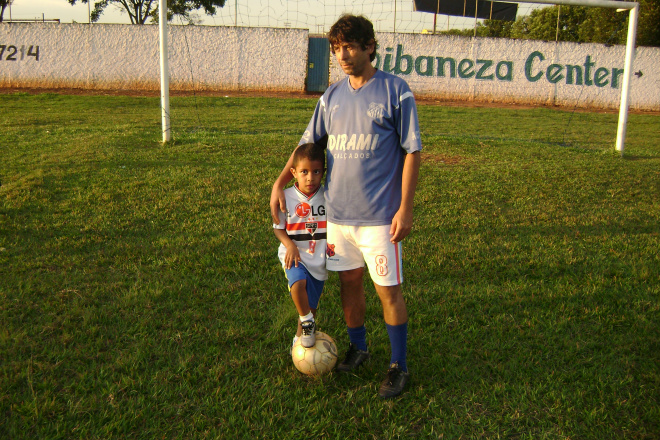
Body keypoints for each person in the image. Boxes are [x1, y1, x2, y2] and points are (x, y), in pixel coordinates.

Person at [271, 14, 421, 398]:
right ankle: (360, 347)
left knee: (388, 291)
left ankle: (398, 365)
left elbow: (411, 152)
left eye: (351, 47)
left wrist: (405, 208)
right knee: (349, 285)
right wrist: (280, 182)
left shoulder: (396, 91)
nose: (343, 55)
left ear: (370, 46)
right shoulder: (331, 97)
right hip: (337, 219)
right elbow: (307, 147)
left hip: (379, 220)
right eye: (337, 48)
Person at [273, 143, 328, 349]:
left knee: (309, 309)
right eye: (304, 172)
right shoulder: (285, 197)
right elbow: (278, 228)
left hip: (319, 260)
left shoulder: (327, 196)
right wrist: (289, 245)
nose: (310, 177)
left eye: (316, 172)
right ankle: (306, 320)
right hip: (293, 255)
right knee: (298, 283)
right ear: (293, 172)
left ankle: (299, 340)